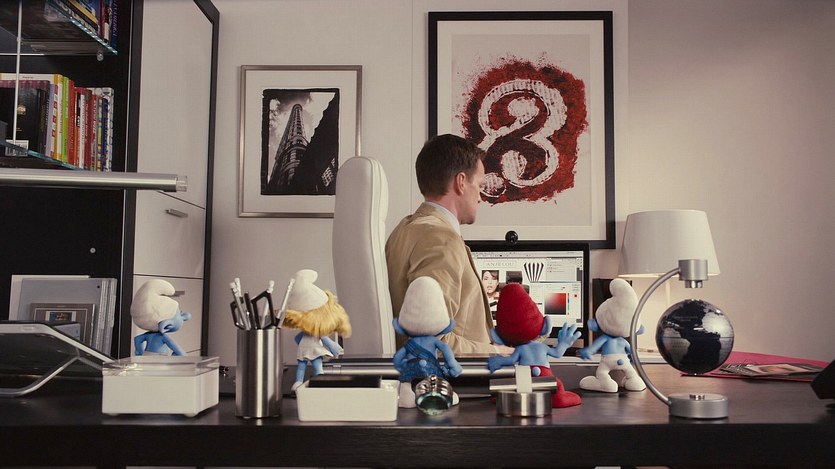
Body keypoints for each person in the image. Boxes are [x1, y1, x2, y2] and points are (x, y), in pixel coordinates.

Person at [386, 134, 512, 355]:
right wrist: (501, 353)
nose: (480, 198)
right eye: (479, 186)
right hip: (454, 375)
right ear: (461, 182)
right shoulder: (441, 239)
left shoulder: (404, 229)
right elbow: (431, 344)